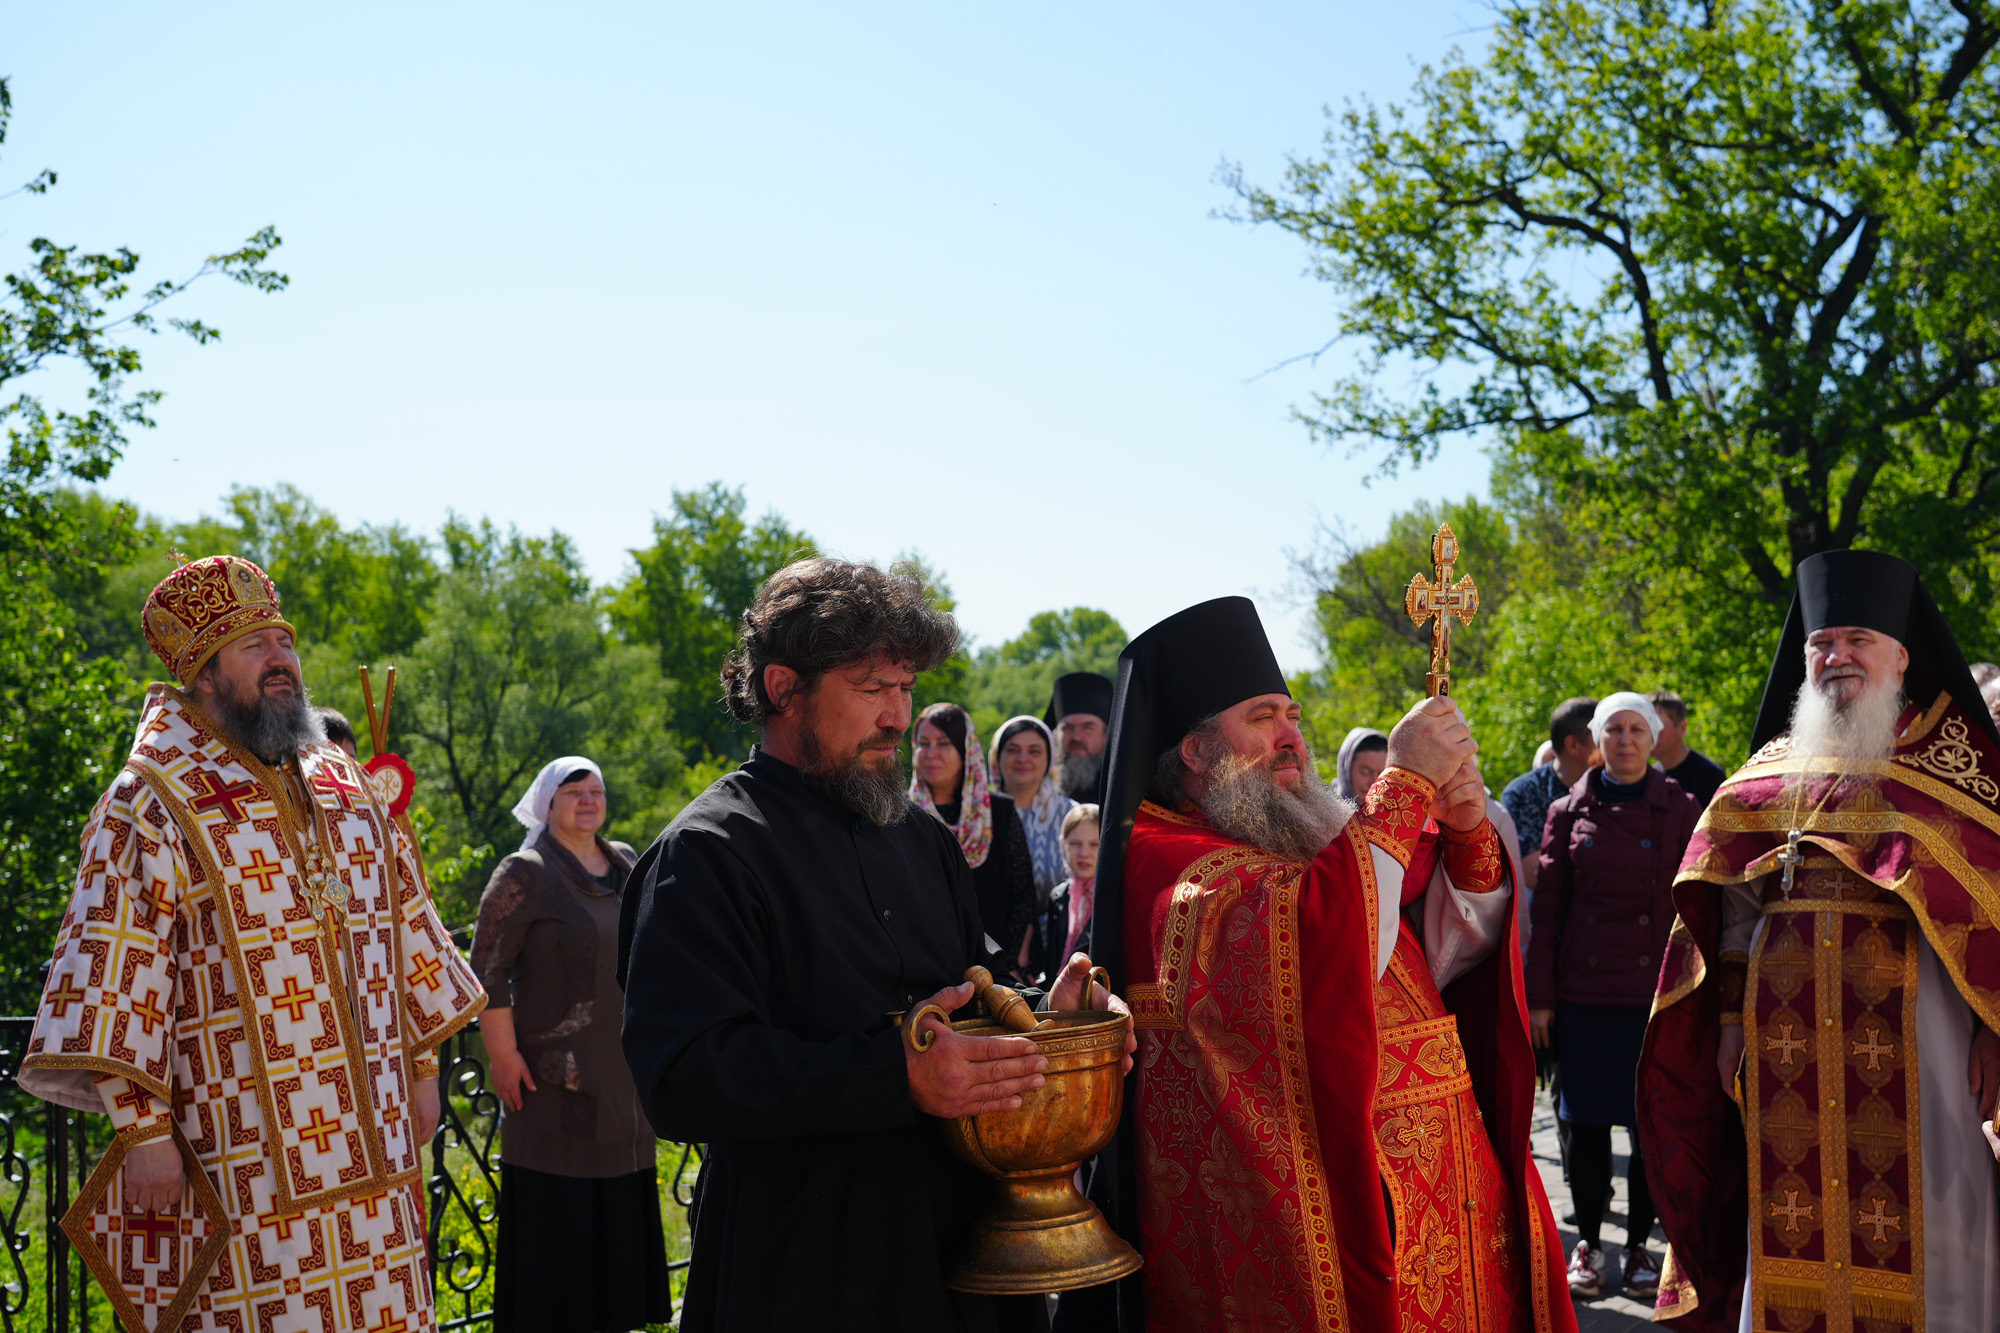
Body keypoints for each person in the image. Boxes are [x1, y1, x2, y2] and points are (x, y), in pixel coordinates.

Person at [617, 557, 1132, 1333]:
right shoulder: (707, 853)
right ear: (782, 688)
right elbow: (683, 1079)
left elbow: (968, 991)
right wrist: (895, 1076)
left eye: (906, 687)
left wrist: (1048, 1019)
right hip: (805, 1266)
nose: (898, 716)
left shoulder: (924, 838)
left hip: (967, 1260)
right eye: (872, 688)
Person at [1072, 596, 1574, 1333]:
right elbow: (1321, 961)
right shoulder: (1167, 863)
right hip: (1342, 1212)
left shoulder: (1297, 836)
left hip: (1453, 1190)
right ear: (1196, 751)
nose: (1290, 737)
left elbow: (1432, 961)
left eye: (1294, 716)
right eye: (1262, 717)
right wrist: (1403, 785)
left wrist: (1466, 833)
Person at [19, 554, 484, 1332]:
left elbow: (404, 924)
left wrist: (423, 1065)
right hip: (244, 1164)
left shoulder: (342, 783)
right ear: (203, 674)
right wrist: (143, 1133)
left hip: (379, 1156)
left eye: (285, 641)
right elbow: (117, 972)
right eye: (255, 645)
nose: (281, 659)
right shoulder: (150, 799)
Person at [1639, 549, 2000, 1333]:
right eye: (1822, 643)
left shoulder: (1961, 766)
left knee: (1936, 1219)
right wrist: (1728, 1022)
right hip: (1783, 1048)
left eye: (1858, 640)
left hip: (1927, 1047)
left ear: (1900, 656)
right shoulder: (1768, 772)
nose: (1838, 656)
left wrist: (1993, 1028)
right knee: (1790, 1222)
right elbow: (1730, 908)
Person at [472, 757, 669, 1333]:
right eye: (573, 791)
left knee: (616, 1243)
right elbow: (485, 968)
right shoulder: (526, 871)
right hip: (553, 1083)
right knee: (561, 1245)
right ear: (548, 803)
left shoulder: (626, 861)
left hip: (623, 1086)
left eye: (596, 790)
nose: (587, 799)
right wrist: (503, 1056)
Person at [1525, 692, 1700, 1298]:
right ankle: (1590, 1244)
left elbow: (1696, 908)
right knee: (1585, 1127)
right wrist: (1541, 999)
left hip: (1653, 997)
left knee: (1647, 1128)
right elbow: (1548, 910)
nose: (1625, 741)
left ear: (1654, 738)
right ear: (1598, 741)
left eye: (1636, 730)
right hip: (1584, 997)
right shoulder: (1566, 811)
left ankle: (1640, 1250)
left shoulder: (1682, 808)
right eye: (1614, 731)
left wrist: (1695, 992)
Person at [911, 702, 1038, 969]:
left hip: (997, 971)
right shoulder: (900, 816)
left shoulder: (999, 813)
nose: (931, 754)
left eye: (943, 743)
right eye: (923, 743)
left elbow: (1023, 895)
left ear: (965, 749)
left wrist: (1012, 964)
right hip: (924, 967)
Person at [1501, 696, 1598, 891]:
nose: (1615, 744)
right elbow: (1533, 873)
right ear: (1573, 745)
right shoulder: (1524, 793)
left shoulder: (1617, 785)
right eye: (1603, 735)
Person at [989, 713, 1078, 899]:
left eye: (1034, 751)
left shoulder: (1072, 815)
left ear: (1050, 758)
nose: (1023, 759)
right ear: (997, 757)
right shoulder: (979, 815)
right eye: (1013, 750)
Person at [1029, 803, 1100, 982]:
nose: (1084, 853)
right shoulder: (1059, 896)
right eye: (1075, 843)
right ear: (1063, 845)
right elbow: (1052, 959)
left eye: (1094, 844)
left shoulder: (1114, 898)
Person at [1646, 690, 1727, 809]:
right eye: (1646, 726)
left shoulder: (1709, 776)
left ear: (1682, 727)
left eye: (1658, 727)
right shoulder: (1651, 776)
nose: (1651, 734)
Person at [1046, 671, 1113, 802]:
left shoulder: (1123, 787)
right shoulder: (1040, 790)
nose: (1076, 737)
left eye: (1087, 729)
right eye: (1067, 728)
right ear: (1055, 735)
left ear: (1106, 735)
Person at [1334, 724, 1389, 799]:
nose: (1374, 782)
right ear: (1346, 770)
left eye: (1382, 773)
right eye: (1365, 772)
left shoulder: (1397, 804)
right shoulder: (1323, 805)